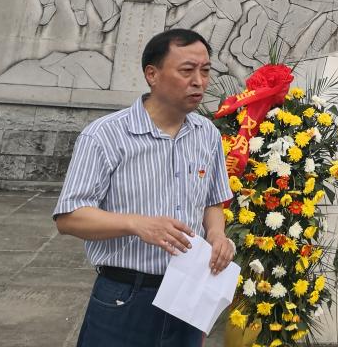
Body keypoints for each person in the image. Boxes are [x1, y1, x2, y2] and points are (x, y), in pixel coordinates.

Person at [54, 29, 234, 347]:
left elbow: (212, 201)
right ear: (152, 74)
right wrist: (136, 224)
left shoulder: (206, 133)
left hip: (189, 291)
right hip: (126, 295)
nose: (199, 81)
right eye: (187, 70)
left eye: (205, 71)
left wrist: (217, 235)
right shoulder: (105, 135)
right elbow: (69, 217)